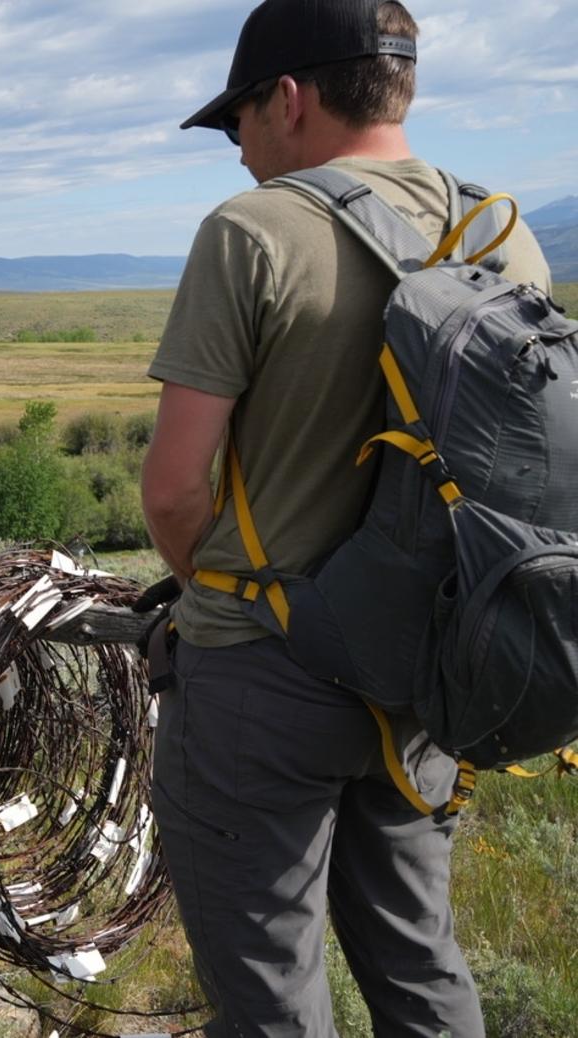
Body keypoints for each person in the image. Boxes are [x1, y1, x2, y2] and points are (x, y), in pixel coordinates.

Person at [139, 1, 550, 1032]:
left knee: (272, 987)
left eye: (238, 119)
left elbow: (175, 489)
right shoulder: (505, 235)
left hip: (262, 670)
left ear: (289, 96)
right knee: (419, 962)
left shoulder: (254, 231)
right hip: (431, 674)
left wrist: (218, 597)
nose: (238, 150)